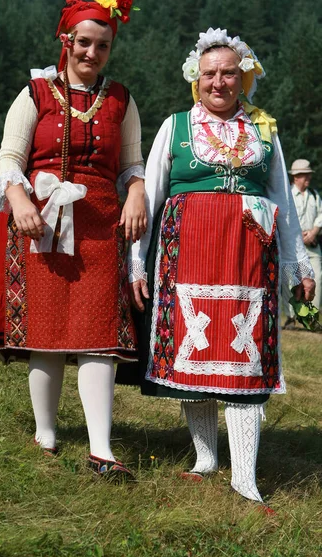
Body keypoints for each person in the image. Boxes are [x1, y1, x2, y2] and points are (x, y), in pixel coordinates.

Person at [0, 0, 146, 476]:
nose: (92, 52)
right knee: (48, 328)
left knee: (99, 332)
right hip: (41, 224)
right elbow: (10, 159)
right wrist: (18, 201)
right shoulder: (35, 93)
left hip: (100, 223)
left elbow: (132, 164)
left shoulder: (121, 99)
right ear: (65, 40)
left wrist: (136, 191)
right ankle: (46, 432)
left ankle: (102, 449)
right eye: (84, 42)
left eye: (103, 44)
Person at [129, 28, 315, 507]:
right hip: (184, 252)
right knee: (194, 357)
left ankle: (245, 476)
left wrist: (299, 267)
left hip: (249, 259)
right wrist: (137, 264)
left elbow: (282, 202)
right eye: (209, 73)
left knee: (241, 360)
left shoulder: (263, 130)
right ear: (197, 78)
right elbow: (149, 196)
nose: (219, 82)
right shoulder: (175, 126)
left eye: (229, 73)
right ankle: (206, 458)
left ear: (244, 77)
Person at [283, 159, 322, 328]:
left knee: (317, 278)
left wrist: (313, 232)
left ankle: (312, 316)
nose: (308, 177)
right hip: (293, 243)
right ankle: (291, 317)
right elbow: (285, 218)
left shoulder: (314, 194)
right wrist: (298, 234)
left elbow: (321, 215)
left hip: (312, 243)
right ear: (296, 177)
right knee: (290, 280)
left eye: (308, 174)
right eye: (304, 175)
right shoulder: (288, 195)